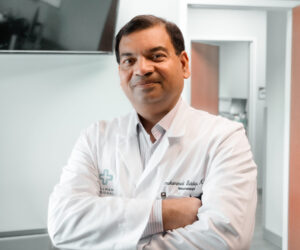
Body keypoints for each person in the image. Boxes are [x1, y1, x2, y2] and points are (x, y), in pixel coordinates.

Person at [48, 15, 257, 250]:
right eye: (129, 60)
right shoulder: (95, 137)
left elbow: (226, 240)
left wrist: (109, 234)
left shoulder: (225, 138)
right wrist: (164, 213)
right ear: (120, 74)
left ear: (184, 64)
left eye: (156, 56)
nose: (142, 69)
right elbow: (63, 224)